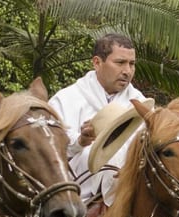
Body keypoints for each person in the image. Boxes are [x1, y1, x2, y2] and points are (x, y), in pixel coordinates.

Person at [48, 33, 148, 204]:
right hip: (73, 199)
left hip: (128, 198)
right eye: (120, 63)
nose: (127, 71)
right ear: (97, 62)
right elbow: (48, 151)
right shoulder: (66, 99)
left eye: (132, 64)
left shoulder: (141, 104)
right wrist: (80, 141)